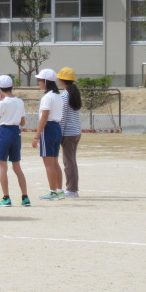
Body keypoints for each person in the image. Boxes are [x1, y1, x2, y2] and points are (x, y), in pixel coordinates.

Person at [0, 75, 30, 207]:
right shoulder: (20, 102)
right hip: (16, 132)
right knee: (17, 166)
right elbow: (23, 122)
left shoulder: (3, 103)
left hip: (4, 131)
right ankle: (25, 197)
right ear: (12, 86)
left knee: (2, 165)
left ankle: (6, 197)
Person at [31, 68, 64, 201]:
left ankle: (53, 192)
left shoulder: (47, 97)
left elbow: (44, 117)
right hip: (57, 128)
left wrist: (36, 136)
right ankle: (59, 190)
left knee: (48, 163)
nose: (38, 83)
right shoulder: (58, 96)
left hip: (48, 128)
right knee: (55, 162)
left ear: (46, 81)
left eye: (40, 80)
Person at [57, 67, 83, 198]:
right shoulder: (74, 94)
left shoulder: (64, 96)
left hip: (68, 133)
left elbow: (63, 118)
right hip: (76, 131)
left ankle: (72, 189)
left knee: (68, 162)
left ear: (62, 80)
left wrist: (59, 135)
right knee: (71, 160)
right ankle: (73, 188)